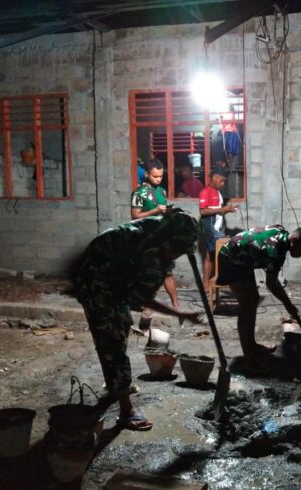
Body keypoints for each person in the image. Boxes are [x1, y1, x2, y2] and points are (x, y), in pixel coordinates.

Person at [73, 211, 204, 430]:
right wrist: (179, 313)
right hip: (95, 281)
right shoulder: (147, 251)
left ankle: (117, 384)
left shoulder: (163, 230)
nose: (179, 255)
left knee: (121, 327)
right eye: (178, 249)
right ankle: (126, 410)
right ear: (168, 242)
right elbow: (141, 299)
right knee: (111, 340)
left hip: (115, 276)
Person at [216, 225, 301, 372]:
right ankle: (249, 358)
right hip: (231, 258)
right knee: (246, 304)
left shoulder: (282, 235)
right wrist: (288, 305)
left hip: (244, 259)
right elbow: (272, 283)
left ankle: (252, 345)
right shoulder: (275, 251)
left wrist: (288, 305)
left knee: (253, 299)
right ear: (294, 241)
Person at [131, 159, 180, 330]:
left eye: (160, 176)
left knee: (167, 272)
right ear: (147, 174)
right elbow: (135, 216)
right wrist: (155, 211)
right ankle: (147, 309)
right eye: (155, 176)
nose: (158, 179)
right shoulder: (139, 193)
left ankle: (176, 305)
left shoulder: (162, 191)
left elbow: (163, 213)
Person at [198, 165, 237, 293]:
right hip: (211, 229)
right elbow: (203, 211)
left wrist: (227, 210)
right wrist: (222, 209)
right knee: (221, 255)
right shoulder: (205, 191)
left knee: (210, 256)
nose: (223, 183)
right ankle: (223, 283)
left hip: (218, 228)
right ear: (214, 177)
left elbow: (216, 211)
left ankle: (207, 285)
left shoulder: (217, 192)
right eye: (222, 180)